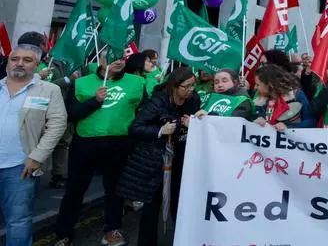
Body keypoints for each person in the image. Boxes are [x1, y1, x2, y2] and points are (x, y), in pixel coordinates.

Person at [54, 55, 146, 246]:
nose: (119, 61)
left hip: (119, 144)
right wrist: (94, 101)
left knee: (115, 191)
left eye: (122, 57)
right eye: (113, 57)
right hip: (85, 144)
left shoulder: (137, 82)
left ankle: (112, 230)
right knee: (74, 191)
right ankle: (64, 234)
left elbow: (144, 111)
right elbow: (71, 114)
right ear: (101, 59)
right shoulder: (81, 82)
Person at [116, 66, 199, 246]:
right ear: (175, 86)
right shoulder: (157, 102)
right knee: (152, 208)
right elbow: (135, 128)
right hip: (154, 161)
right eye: (186, 86)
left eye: (193, 85)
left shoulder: (194, 100)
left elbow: (199, 122)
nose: (191, 90)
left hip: (181, 160)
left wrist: (195, 121)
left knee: (180, 205)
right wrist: (160, 130)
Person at [0, 44, 67, 246]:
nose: (19, 63)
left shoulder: (49, 90)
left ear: (37, 65)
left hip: (20, 166)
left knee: (18, 221)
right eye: (15, 59)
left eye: (27, 60)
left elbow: (57, 124)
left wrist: (37, 157)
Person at [253, 64, 314, 129]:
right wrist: (254, 123)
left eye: (257, 84)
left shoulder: (296, 95)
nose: (255, 88)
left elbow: (310, 122)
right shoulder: (259, 102)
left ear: (270, 84)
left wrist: (288, 128)